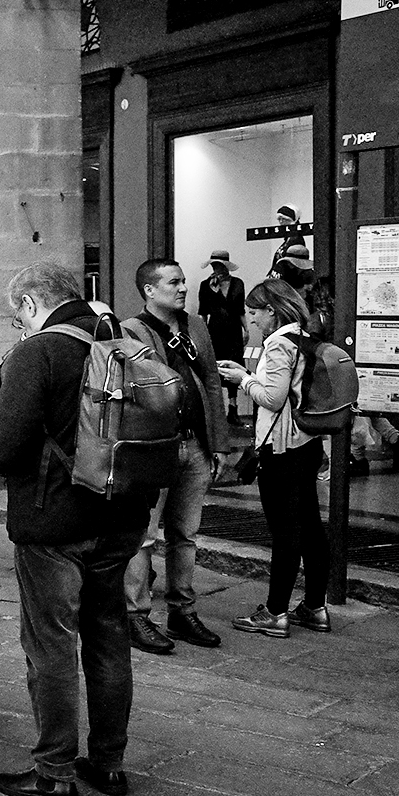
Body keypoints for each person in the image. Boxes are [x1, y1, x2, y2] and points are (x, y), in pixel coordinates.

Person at [0, 261, 153, 796]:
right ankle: (108, 764)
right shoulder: (125, 342)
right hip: (122, 516)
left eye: (18, 318)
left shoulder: (40, 352)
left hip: (54, 521)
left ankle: (54, 771)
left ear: (32, 305)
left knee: (51, 643)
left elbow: (3, 448)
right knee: (109, 635)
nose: (20, 328)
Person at [120, 260, 227, 654]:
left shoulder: (196, 325)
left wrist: (217, 442)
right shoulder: (131, 330)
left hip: (194, 444)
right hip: (156, 448)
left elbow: (212, 382)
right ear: (150, 290)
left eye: (183, 281)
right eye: (174, 282)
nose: (183, 288)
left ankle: (182, 611)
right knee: (145, 535)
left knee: (187, 534)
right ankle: (136, 615)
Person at [217, 280, 332, 638]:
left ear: (272, 310)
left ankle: (275, 612)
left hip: (282, 448)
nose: (250, 320)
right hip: (307, 443)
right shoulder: (305, 337)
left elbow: (271, 396)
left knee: (286, 531)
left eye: (254, 312)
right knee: (311, 527)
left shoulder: (280, 342)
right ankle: (315, 607)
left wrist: (242, 378)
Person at [199, 251, 245, 422]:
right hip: (215, 330)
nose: (215, 267)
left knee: (234, 365)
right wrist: (202, 333)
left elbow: (240, 309)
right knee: (216, 366)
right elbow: (203, 311)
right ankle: (217, 409)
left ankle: (233, 408)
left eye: (218, 265)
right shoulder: (206, 285)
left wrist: (246, 329)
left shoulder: (238, 283)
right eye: (213, 265)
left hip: (233, 330)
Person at [268, 205, 307, 277]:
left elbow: (294, 265)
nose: (281, 222)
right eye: (279, 219)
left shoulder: (296, 240)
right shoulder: (287, 240)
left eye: (284, 219)